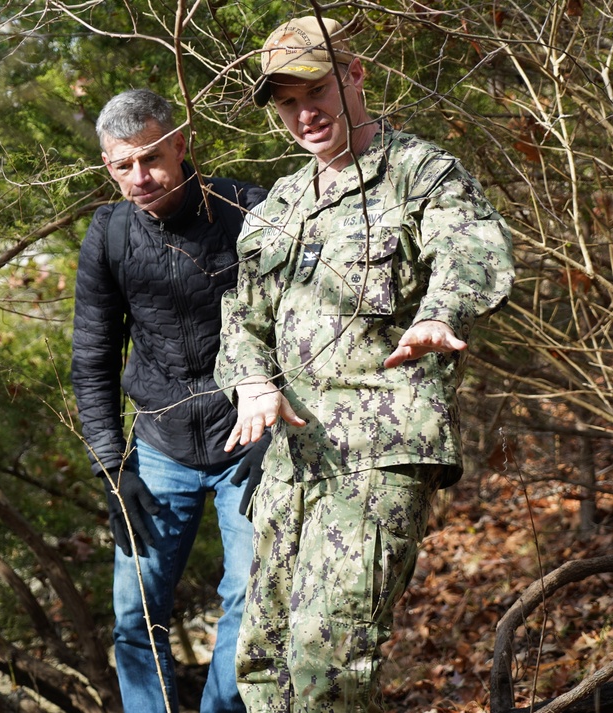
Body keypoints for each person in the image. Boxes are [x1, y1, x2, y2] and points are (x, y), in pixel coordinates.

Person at [213, 16, 515, 713]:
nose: (303, 113)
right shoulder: (277, 207)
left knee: (328, 665)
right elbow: (240, 317)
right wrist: (252, 381)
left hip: (377, 455)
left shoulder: (418, 173)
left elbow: (470, 246)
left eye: (314, 90)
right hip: (291, 459)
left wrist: (441, 311)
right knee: (260, 661)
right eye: (286, 102)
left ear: (353, 75)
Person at [71, 88, 268, 713]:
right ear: (107, 165)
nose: (140, 177)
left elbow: (299, 325)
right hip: (157, 450)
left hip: (251, 440)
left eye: (151, 158)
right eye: (122, 165)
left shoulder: (248, 209)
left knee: (249, 601)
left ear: (180, 144)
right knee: (134, 617)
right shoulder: (108, 235)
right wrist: (111, 462)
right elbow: (93, 357)